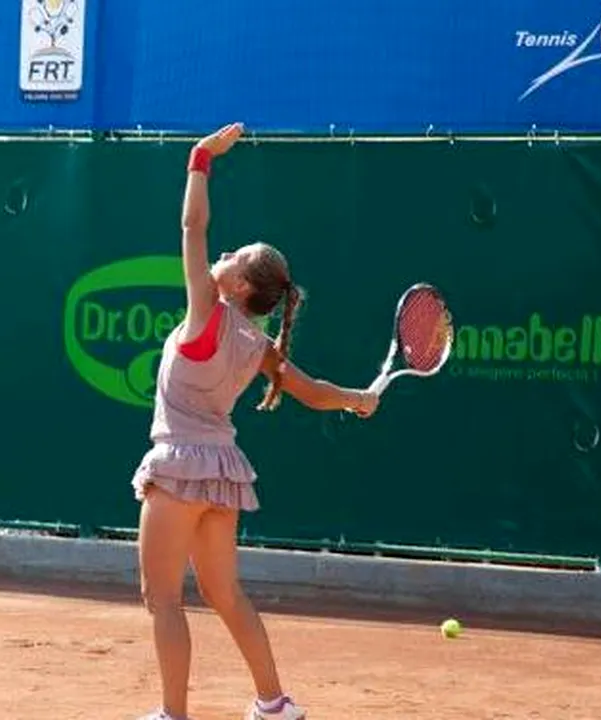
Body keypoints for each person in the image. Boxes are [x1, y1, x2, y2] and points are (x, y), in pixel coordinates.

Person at [132, 122, 379, 720]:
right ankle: (274, 703)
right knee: (226, 595)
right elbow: (313, 392)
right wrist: (358, 398)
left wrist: (200, 158)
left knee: (162, 599)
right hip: (223, 475)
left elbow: (192, 227)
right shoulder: (257, 344)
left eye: (232, 257)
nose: (220, 256)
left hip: (178, 469)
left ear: (239, 284)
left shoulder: (207, 311)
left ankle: (173, 714)